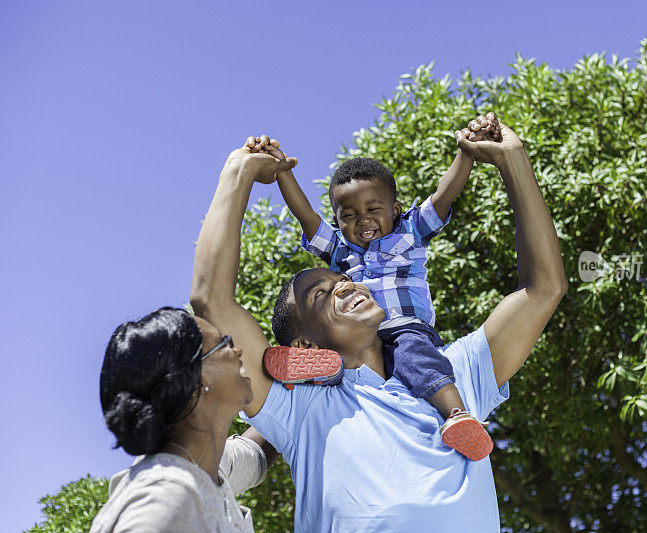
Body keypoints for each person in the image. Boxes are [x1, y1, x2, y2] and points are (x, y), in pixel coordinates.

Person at [190, 119, 568, 532]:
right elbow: (211, 300)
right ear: (305, 348)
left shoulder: (456, 374)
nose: (346, 285)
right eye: (321, 295)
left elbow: (545, 288)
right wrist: (240, 168)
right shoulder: (301, 407)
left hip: (433, 373)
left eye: (344, 279)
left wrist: (512, 158)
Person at [261, 115, 502, 460]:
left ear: (395, 210)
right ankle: (314, 366)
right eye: (349, 215)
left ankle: (457, 415)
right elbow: (307, 217)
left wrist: (465, 153)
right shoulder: (339, 251)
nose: (363, 220)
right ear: (339, 221)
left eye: (373, 208)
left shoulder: (410, 231)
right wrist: (283, 171)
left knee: (416, 361)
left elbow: (444, 195)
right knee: (350, 374)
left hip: (407, 330)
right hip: (364, 336)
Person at [90, 307, 281, 533]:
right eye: (224, 344)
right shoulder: (164, 496)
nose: (237, 350)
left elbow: (256, 453)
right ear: (194, 381)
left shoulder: (206, 466)